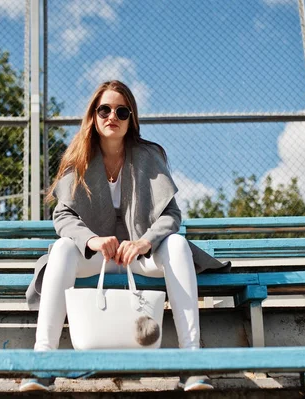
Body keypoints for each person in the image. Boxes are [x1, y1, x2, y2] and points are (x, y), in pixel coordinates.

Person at [21, 80, 230, 392]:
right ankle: (43, 363)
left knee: (176, 243)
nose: (112, 116)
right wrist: (91, 240)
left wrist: (145, 242)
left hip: (139, 257)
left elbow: (171, 215)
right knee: (63, 249)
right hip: (96, 259)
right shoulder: (77, 158)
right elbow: (62, 216)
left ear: (131, 118)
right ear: (93, 115)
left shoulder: (149, 156)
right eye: (104, 109)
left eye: (122, 111)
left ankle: (191, 363)